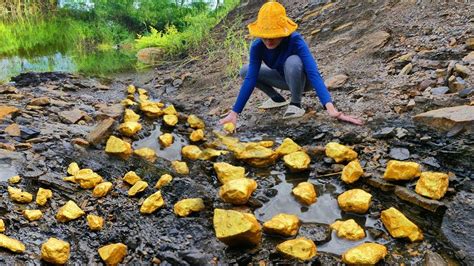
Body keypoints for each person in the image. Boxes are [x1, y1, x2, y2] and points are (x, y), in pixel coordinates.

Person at [219, 1, 363, 127]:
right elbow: (251, 78)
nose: (269, 41)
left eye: (274, 36)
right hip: (282, 78)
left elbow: (313, 73)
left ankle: (295, 103)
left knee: (293, 61)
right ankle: (277, 99)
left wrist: (331, 109)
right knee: (245, 71)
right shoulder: (257, 46)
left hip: (303, 81)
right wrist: (234, 112)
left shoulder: (295, 40)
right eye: (265, 37)